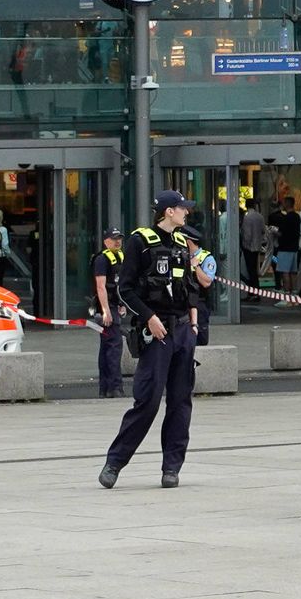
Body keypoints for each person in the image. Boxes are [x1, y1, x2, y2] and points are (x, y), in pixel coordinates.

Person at [99, 193, 214, 487]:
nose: (186, 214)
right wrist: (149, 317)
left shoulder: (180, 243)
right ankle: (115, 462)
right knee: (147, 401)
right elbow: (125, 289)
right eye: (182, 210)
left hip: (182, 332)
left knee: (180, 401)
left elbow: (189, 288)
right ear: (168, 211)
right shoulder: (140, 241)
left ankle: (171, 468)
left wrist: (194, 325)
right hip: (156, 331)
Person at [89, 221, 130, 398]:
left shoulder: (121, 257)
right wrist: (105, 310)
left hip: (115, 305)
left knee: (108, 347)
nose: (117, 242)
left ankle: (106, 388)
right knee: (114, 347)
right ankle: (115, 387)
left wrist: (123, 304)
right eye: (114, 239)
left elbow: (121, 285)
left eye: (119, 239)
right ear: (106, 241)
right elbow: (101, 287)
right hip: (106, 308)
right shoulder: (101, 259)